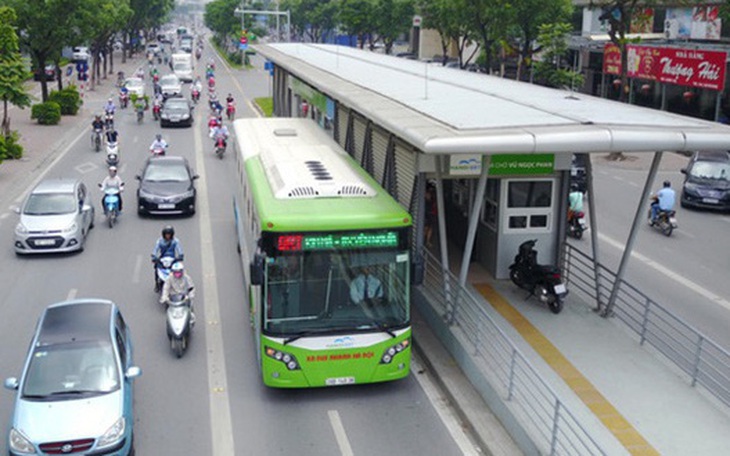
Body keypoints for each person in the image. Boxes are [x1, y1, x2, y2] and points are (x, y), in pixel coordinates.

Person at [151, 225, 184, 291]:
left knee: (180, 270)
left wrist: (180, 256)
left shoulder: (175, 241)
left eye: (169, 234)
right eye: (166, 234)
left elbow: (180, 250)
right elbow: (155, 249)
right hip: (163, 259)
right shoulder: (160, 241)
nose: (167, 236)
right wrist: (154, 257)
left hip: (172, 260)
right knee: (156, 269)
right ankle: (157, 283)